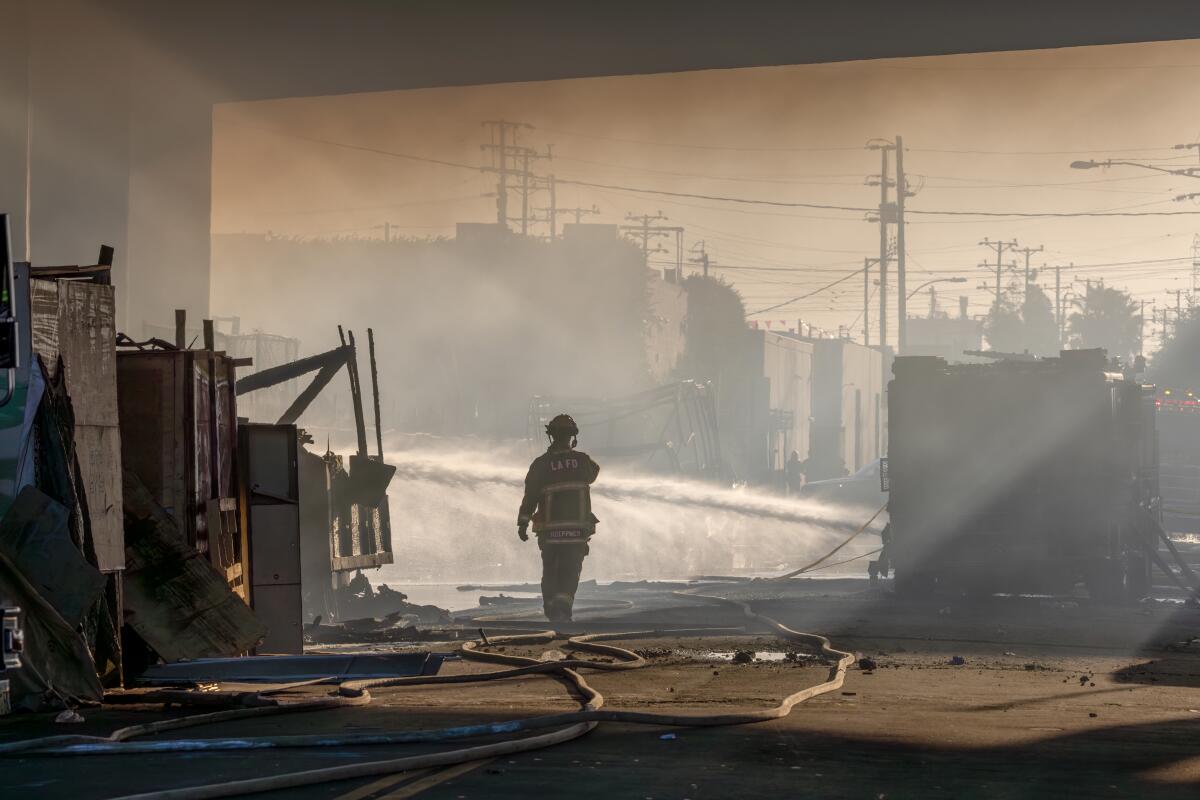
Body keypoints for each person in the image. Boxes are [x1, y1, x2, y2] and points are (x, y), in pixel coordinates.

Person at [517, 413, 600, 622]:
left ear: (551, 436)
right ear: (572, 436)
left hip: (550, 532)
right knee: (571, 571)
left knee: (550, 571)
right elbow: (593, 474)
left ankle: (553, 610)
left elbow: (530, 496)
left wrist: (523, 523)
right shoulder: (583, 461)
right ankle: (563, 609)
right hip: (576, 531)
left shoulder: (541, 464)